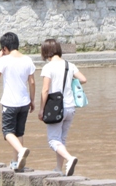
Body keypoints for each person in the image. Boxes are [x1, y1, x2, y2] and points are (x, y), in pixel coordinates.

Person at [37, 38, 87, 176]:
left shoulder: (48, 67)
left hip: (56, 108)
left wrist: (41, 110)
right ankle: (59, 169)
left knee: (53, 140)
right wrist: (70, 83)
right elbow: (83, 79)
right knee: (61, 139)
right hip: (70, 107)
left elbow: (45, 90)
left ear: (46, 52)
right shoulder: (69, 65)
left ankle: (70, 158)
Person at [0, 31, 36, 171]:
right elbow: (32, 82)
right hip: (24, 102)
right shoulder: (27, 59)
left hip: (10, 103)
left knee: (7, 132)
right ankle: (16, 162)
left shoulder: (4, 60)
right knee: (19, 133)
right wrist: (32, 100)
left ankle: (21, 151)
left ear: (4, 48)